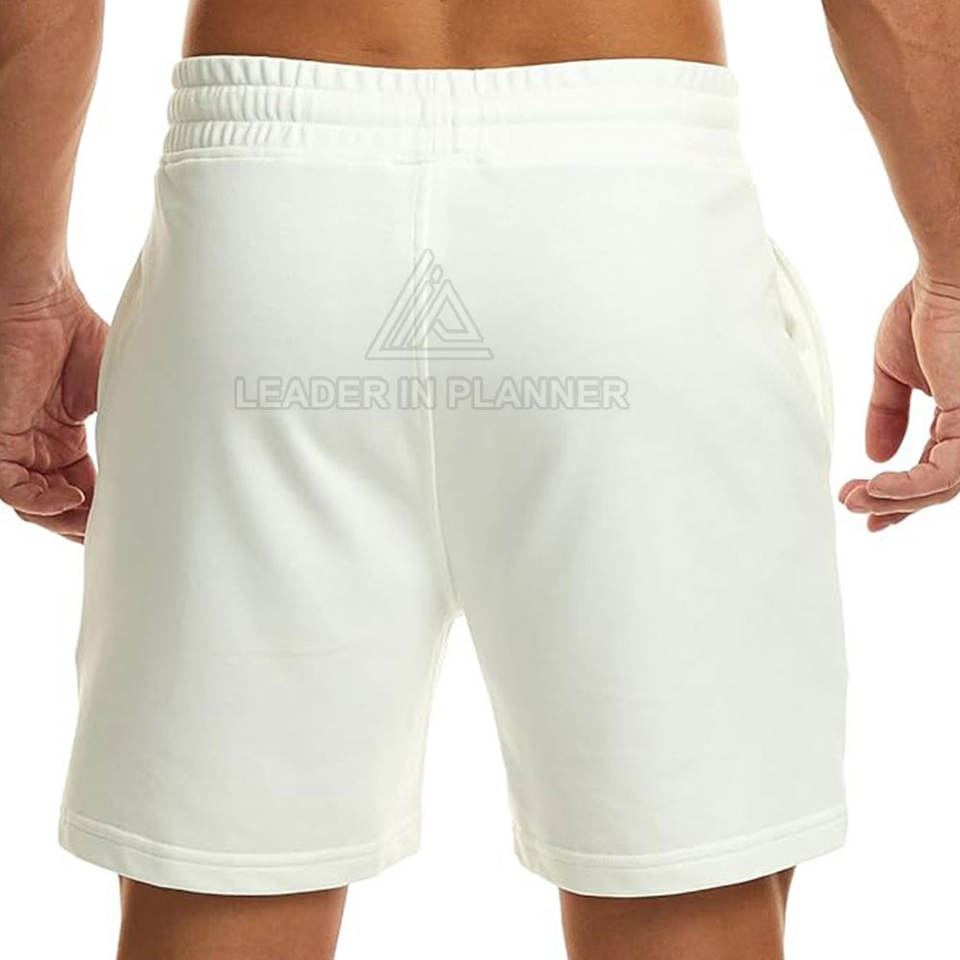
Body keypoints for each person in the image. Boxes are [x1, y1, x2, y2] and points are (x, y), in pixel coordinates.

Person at [1, 1, 957, 957]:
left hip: (266, 210)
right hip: (625, 204)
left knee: (219, 890)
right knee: (684, 888)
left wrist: (22, 299)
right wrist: (952, 275)